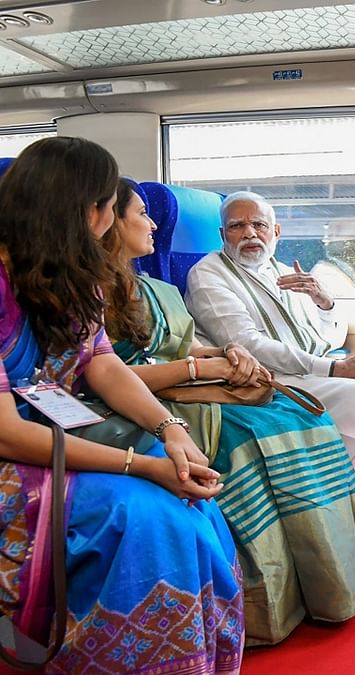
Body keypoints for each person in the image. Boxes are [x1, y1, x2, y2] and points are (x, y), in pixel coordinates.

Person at [99, 178, 355, 646]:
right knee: (259, 436)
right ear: (105, 222)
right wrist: (205, 364)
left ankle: (328, 572)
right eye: (141, 215)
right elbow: (111, 371)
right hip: (153, 393)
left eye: (259, 225)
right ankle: (274, 598)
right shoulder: (125, 288)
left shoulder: (152, 285)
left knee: (303, 418)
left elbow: (188, 341)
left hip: (195, 376)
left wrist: (224, 353)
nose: (152, 224)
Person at [0, 137, 244, 673]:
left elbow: (103, 365)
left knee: (193, 497)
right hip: (14, 451)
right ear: (88, 211)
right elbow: (6, 435)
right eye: (111, 205)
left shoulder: (74, 277)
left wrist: (171, 430)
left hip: (58, 426)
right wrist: (144, 465)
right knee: (141, 513)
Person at [185, 191, 355, 532]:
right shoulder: (208, 275)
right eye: (237, 226)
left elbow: (330, 338)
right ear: (222, 235)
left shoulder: (287, 271)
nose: (249, 233)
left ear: (276, 232)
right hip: (261, 378)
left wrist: (324, 302)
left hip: (307, 369)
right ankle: (341, 519)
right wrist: (335, 369)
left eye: (258, 224)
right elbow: (247, 345)